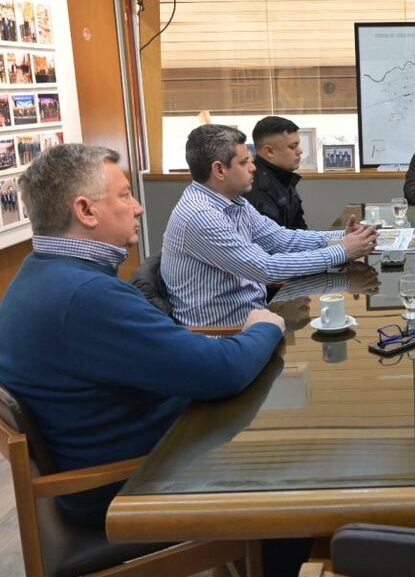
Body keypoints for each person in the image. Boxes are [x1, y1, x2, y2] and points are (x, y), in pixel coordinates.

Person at [0, 143, 286, 526]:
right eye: (124, 195)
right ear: (85, 211)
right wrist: (264, 326)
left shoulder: (37, 274)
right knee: (286, 477)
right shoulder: (85, 296)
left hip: (132, 464)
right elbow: (223, 372)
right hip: (130, 487)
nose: (138, 208)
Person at [162, 124, 377, 327]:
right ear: (219, 170)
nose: (253, 167)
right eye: (244, 162)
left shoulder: (235, 202)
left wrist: (342, 238)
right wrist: (342, 250)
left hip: (255, 317)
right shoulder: (201, 215)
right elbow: (266, 268)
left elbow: (282, 240)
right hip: (223, 335)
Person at [244, 115, 309, 229]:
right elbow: (274, 238)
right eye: (293, 146)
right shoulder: (256, 188)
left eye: (298, 144)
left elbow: (300, 227)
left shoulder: (283, 177)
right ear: (269, 151)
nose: (300, 151)